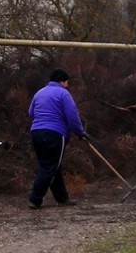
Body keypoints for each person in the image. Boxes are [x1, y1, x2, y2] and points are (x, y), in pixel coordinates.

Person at [27, 68, 88, 209]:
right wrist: (80, 132)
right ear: (62, 81)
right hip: (54, 133)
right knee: (48, 167)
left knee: (53, 166)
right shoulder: (63, 94)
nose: (68, 85)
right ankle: (35, 199)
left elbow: (31, 113)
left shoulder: (39, 92)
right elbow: (72, 116)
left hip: (36, 132)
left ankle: (62, 198)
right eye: (67, 82)